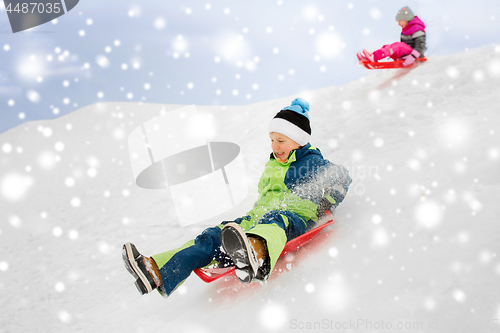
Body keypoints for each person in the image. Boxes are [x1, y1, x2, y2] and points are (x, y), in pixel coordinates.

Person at [122, 98, 352, 297]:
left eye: (281, 141)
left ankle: (256, 253)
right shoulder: (272, 164)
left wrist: (327, 203)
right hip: (257, 217)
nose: (275, 146)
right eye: (272, 140)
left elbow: (342, 177)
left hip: (294, 217)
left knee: (275, 219)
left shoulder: (312, 161)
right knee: (216, 235)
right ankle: (156, 271)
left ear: (299, 140)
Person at [357, 6, 426, 66]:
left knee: (397, 46)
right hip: (407, 54)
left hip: (415, 55)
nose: (398, 24)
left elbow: (421, 45)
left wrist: (413, 56)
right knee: (386, 47)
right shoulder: (406, 29)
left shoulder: (416, 27)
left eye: (400, 21)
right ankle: (371, 57)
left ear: (406, 19)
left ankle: (374, 57)